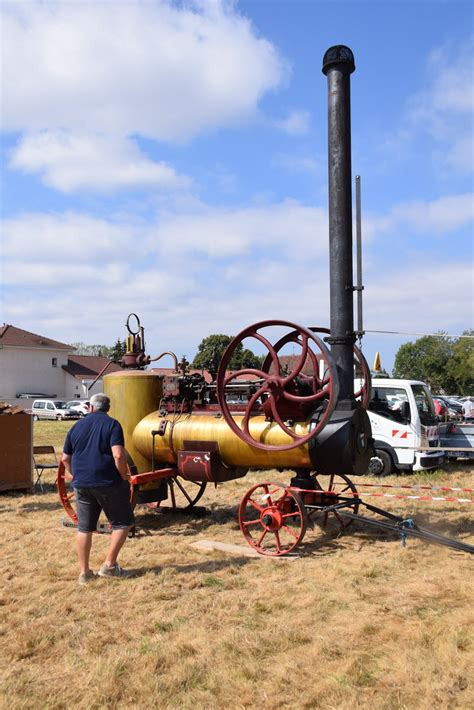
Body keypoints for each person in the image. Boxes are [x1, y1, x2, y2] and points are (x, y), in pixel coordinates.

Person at [61, 393, 135, 584]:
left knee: (84, 528)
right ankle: (109, 566)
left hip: (82, 484)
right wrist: (123, 478)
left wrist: (73, 473)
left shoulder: (76, 426)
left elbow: (65, 459)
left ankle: (85, 573)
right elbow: (118, 455)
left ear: (91, 408)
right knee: (122, 522)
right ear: (107, 408)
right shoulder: (112, 425)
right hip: (107, 482)